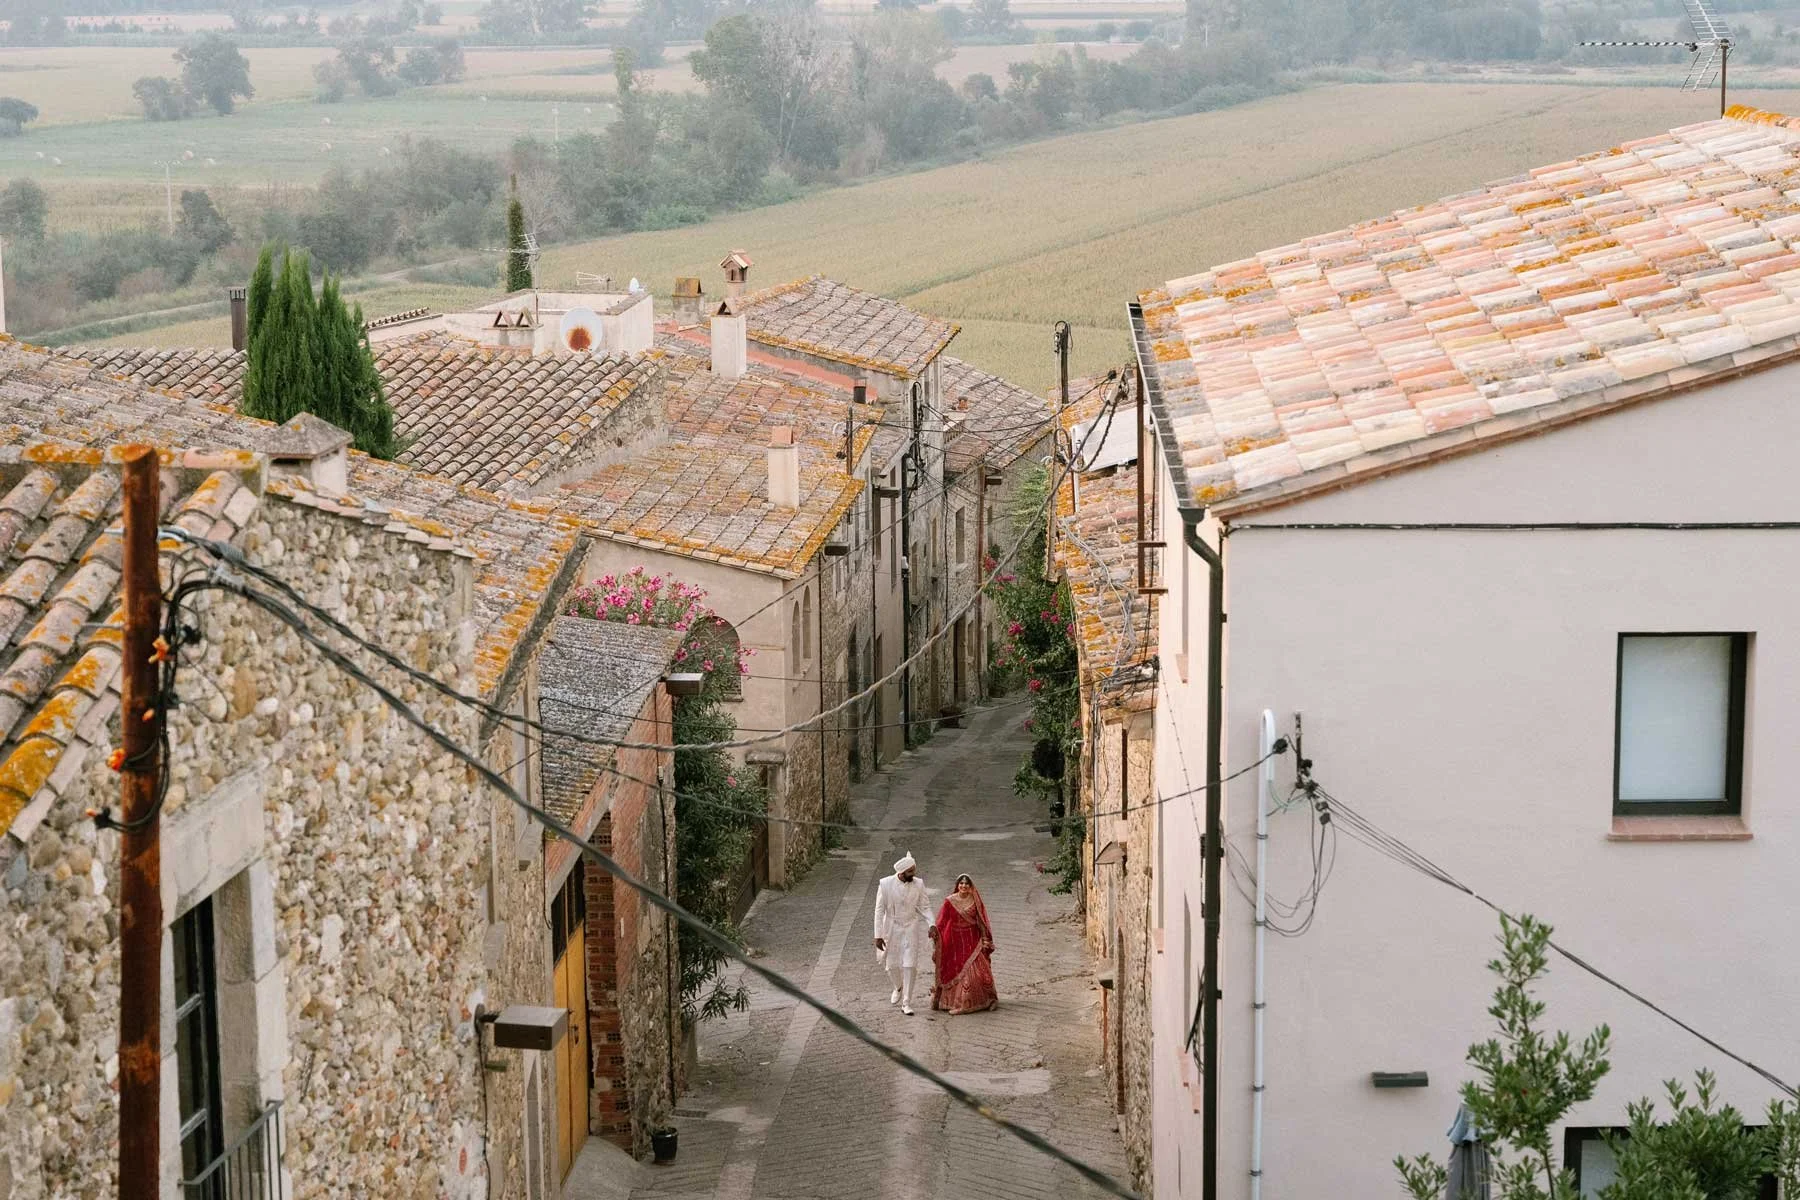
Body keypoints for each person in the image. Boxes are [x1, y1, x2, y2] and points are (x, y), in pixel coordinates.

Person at [874, 852, 935, 1015]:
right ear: (901, 872)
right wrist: (878, 935)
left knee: (910, 965)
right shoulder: (885, 884)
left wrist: (931, 923)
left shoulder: (919, 884)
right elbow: (879, 911)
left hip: (911, 927)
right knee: (891, 965)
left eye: (914, 870)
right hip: (892, 928)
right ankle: (898, 987)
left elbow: (925, 906)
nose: (913, 874)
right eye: (910, 872)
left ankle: (907, 1002)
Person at [932, 873, 998, 1015]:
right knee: (953, 971)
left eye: (966, 884)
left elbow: (982, 921)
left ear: (970, 887)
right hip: (954, 942)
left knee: (976, 972)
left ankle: (987, 1000)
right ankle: (954, 1003)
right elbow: (942, 921)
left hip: (972, 941)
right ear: (957, 885)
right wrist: (935, 932)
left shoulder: (975, 901)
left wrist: (985, 939)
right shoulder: (950, 901)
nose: (963, 886)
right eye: (961, 884)